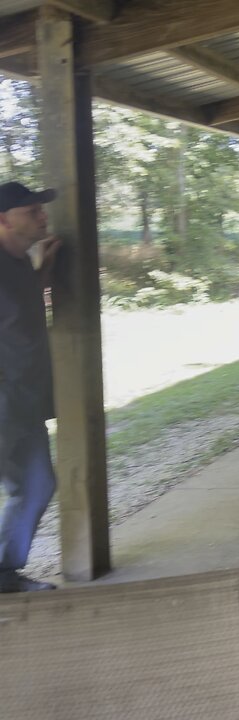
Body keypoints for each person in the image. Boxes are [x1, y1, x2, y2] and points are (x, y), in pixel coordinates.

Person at [0, 181, 61, 593]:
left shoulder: (19, 262)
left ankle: (4, 573)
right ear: (3, 219)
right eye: (31, 211)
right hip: (5, 400)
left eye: (41, 209)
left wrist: (43, 273)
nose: (42, 216)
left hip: (23, 401)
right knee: (31, 483)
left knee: (38, 484)